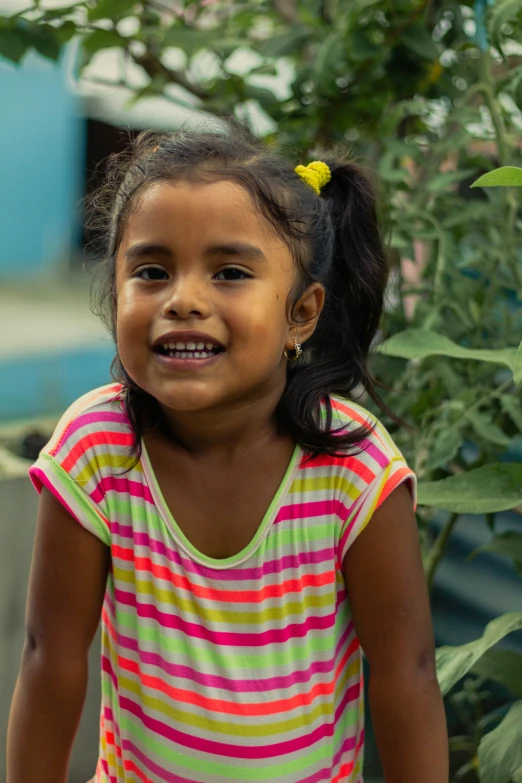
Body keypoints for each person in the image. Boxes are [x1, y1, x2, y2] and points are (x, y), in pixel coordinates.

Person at [7, 124, 448, 783]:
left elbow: (405, 673)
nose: (183, 299)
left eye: (230, 272)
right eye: (151, 271)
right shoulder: (97, 451)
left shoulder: (353, 468)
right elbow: (51, 657)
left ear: (301, 314)